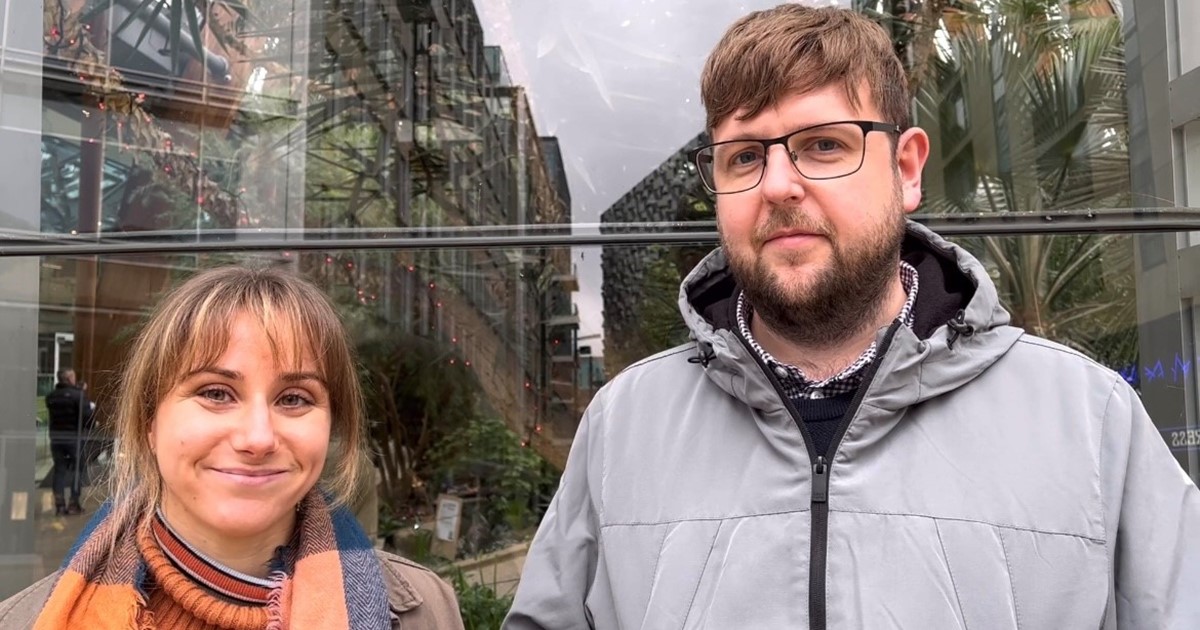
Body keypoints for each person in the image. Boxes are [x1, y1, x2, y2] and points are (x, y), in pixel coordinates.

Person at [505, 5, 1200, 629]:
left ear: (907, 167)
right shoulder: (624, 428)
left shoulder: (1088, 422)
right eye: (744, 156)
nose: (777, 185)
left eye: (824, 145)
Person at [0, 266, 465, 629]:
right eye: (216, 393)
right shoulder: (25, 621)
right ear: (149, 423)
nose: (257, 438)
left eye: (294, 399)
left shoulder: (427, 614)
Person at [44, 368, 94, 516]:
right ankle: (74, 502)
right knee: (78, 469)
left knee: (59, 469)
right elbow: (87, 417)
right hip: (73, 438)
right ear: (69, 379)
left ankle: (59, 504)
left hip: (57, 438)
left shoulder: (51, 397)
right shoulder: (78, 396)